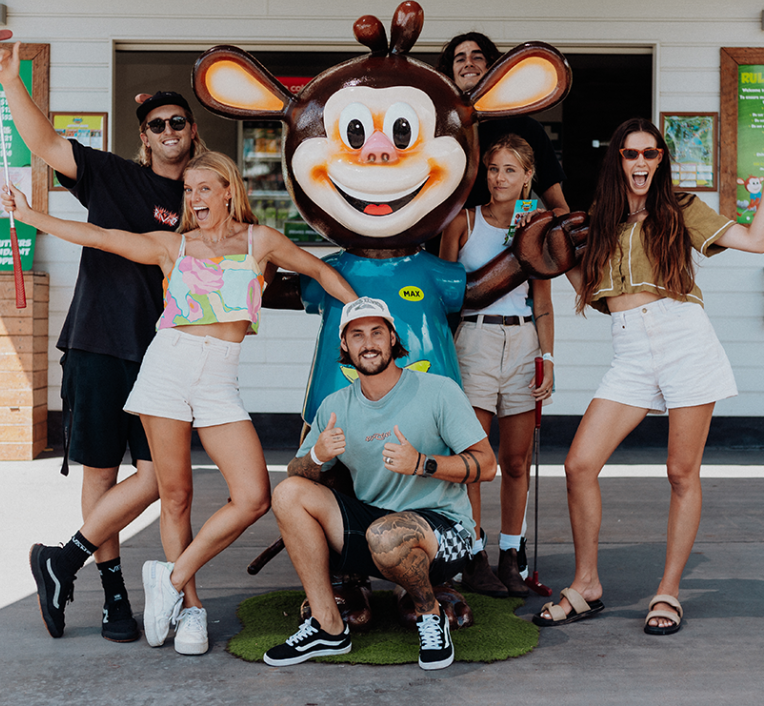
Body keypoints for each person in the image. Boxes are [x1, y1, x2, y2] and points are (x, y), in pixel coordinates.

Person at [3, 151, 358, 654]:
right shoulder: (174, 245)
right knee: (175, 496)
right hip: (169, 367)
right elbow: (101, 237)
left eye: (203, 189)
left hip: (220, 379)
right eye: (188, 191)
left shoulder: (260, 241)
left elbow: (320, 271)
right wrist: (30, 215)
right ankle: (190, 609)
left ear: (229, 190)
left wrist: (367, 312)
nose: (193, 199)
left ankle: (169, 578)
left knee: (253, 496)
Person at [0, 41, 209, 642]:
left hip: (167, 355)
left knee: (162, 478)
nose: (168, 131)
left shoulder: (204, 196)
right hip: (99, 342)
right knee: (102, 473)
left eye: (177, 122)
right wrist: (10, 81)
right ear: (145, 136)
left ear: (192, 131)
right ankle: (114, 597)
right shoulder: (113, 175)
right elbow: (45, 144)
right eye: (157, 124)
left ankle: (62, 561)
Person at [535, 117, 764, 635]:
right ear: (617, 160)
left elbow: (756, 239)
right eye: (631, 153)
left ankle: (668, 592)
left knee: (681, 473)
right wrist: (556, 259)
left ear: (661, 160)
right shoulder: (599, 219)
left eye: (650, 153)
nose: (641, 161)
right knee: (578, 464)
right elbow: (593, 292)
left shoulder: (681, 208)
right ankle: (587, 584)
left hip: (685, 339)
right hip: (630, 350)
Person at [263, 297, 497, 670]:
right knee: (288, 493)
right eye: (357, 335)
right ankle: (327, 626)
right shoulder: (335, 405)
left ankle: (430, 615)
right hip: (375, 527)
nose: (368, 343)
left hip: (444, 532)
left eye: (377, 332)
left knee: (387, 535)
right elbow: (297, 473)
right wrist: (318, 456)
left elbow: (487, 465)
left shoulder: (439, 391)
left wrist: (422, 463)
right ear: (344, 344)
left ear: (392, 339)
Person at [440, 134, 554, 599]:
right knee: (474, 459)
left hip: (523, 340)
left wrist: (547, 357)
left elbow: (542, 301)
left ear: (528, 176)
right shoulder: (463, 221)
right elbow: (443, 296)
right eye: (493, 169)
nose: (500, 178)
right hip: (475, 340)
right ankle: (473, 555)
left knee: (516, 460)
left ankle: (511, 555)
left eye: (510, 170)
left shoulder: (538, 225)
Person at [437, 32, 569, 216]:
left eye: (477, 57)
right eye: (460, 59)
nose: (468, 63)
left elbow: (560, 208)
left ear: (493, 68)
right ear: (450, 72)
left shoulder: (528, 129)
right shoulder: (437, 130)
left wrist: (539, 221)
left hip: (512, 234)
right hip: (451, 234)